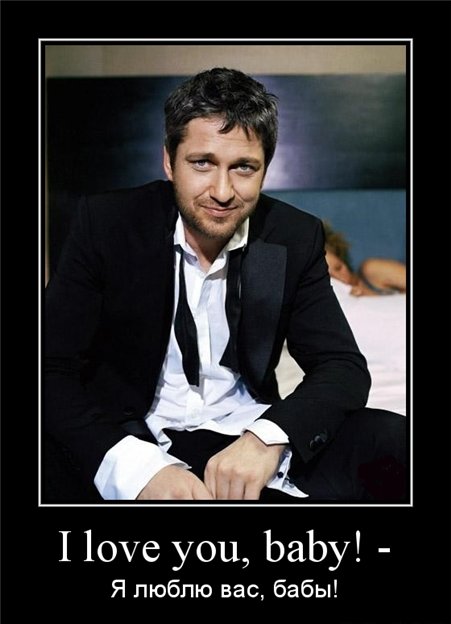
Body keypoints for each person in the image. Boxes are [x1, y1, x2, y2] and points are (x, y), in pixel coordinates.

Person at [44, 68, 406, 503]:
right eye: (202, 163)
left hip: (245, 430)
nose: (222, 191)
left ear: (265, 169)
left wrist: (269, 437)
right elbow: (50, 367)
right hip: (133, 433)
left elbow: (341, 367)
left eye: (243, 168)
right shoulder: (107, 224)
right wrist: (135, 467)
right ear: (169, 161)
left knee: (393, 438)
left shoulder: (294, 235)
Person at [323, 222, 406, 297]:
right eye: (331, 277)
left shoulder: (372, 269)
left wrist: (369, 295)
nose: (341, 279)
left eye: (338, 268)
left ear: (344, 261)